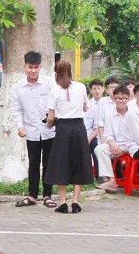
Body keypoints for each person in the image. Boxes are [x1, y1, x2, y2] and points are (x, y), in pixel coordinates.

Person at [43, 60, 92, 213]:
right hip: (78, 127)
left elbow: (51, 117)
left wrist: (48, 125)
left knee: (61, 164)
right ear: (70, 71)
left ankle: (62, 202)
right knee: (79, 163)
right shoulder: (81, 87)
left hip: (63, 128)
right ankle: (75, 201)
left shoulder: (54, 91)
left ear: (56, 73)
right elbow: (85, 107)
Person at [11, 51, 55, 208]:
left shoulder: (50, 83)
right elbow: (16, 110)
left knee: (49, 163)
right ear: (24, 67)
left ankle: (48, 195)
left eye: (36, 67)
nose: (33, 71)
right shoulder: (18, 87)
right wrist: (20, 126)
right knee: (34, 164)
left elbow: (56, 104)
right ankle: (32, 195)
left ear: (41, 67)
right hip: (31, 132)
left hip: (49, 130)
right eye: (30, 67)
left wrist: (53, 120)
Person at [93, 85, 139, 192]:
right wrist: (113, 144)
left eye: (124, 98)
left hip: (133, 145)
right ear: (114, 98)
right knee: (100, 148)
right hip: (117, 144)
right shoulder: (109, 114)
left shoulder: (133, 112)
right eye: (118, 98)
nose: (121, 101)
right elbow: (108, 134)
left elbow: (138, 134)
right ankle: (111, 180)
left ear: (128, 98)